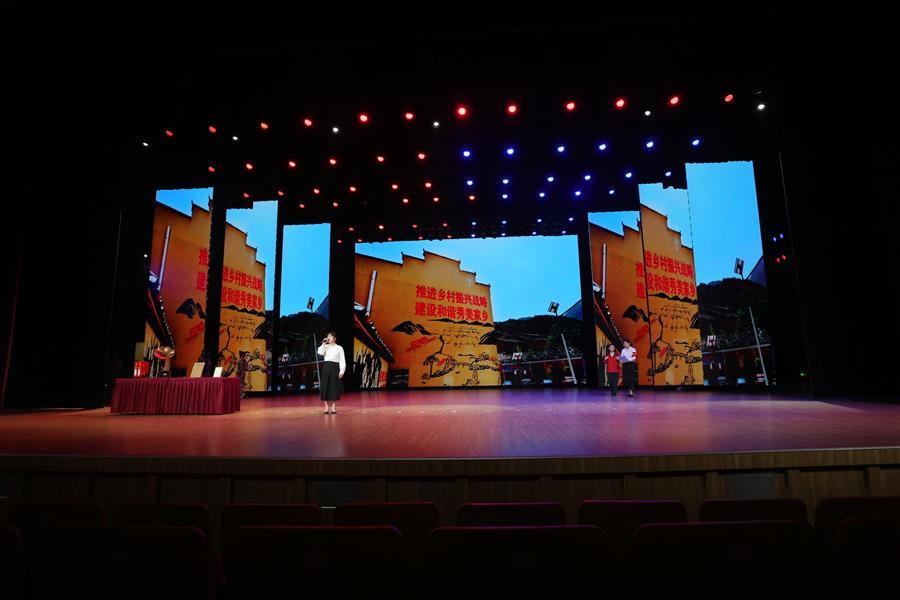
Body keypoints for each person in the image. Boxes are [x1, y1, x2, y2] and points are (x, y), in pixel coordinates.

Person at [317, 331, 346, 414]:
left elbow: (342, 360)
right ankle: (326, 406)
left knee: (334, 387)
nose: (328, 337)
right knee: (325, 386)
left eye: (330, 336)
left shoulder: (339, 348)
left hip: (335, 368)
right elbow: (319, 352)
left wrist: (342, 371)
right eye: (328, 336)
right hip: (326, 367)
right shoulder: (325, 347)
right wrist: (323, 343)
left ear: (335, 338)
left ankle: (333, 406)